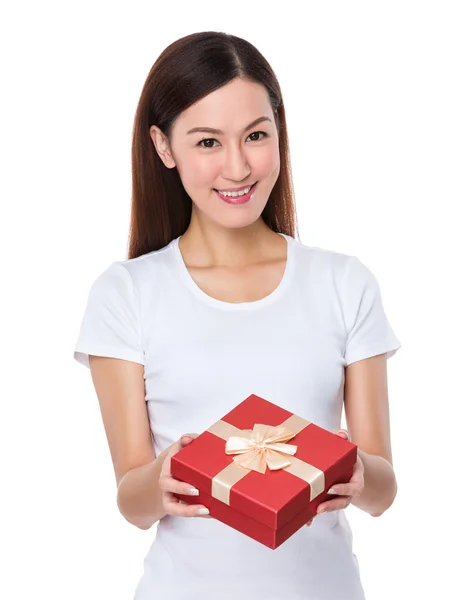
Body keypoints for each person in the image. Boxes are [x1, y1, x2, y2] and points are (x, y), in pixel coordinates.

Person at [73, 31, 402, 600]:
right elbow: (132, 501)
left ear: (279, 132)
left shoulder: (344, 283)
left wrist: (356, 473)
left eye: (256, 136)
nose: (238, 166)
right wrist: (167, 473)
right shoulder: (125, 293)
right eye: (207, 142)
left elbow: (384, 489)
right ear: (164, 146)